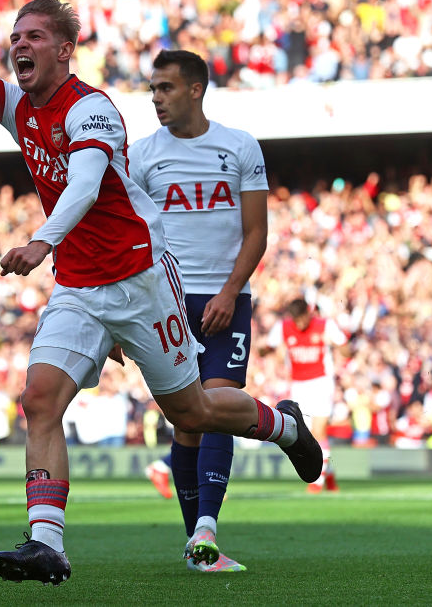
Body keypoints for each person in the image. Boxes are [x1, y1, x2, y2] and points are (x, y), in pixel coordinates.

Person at [0, 0, 322, 586]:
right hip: (78, 285)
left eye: (35, 36)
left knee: (194, 414)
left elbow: (88, 180)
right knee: (40, 398)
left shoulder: (90, 106)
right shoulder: (20, 107)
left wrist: (42, 241)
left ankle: (285, 427)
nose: (21, 45)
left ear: (65, 49)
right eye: (15, 36)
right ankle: (47, 544)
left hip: (138, 279)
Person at [129, 50, 267, 573]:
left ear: (195, 89)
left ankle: (207, 527)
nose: (156, 98)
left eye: (165, 88)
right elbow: (131, 237)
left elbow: (256, 231)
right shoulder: (140, 155)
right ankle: (198, 545)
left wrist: (230, 292)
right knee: (186, 422)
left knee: (219, 401)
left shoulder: (239, 147)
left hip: (226, 298)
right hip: (164, 301)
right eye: (153, 89)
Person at [267, 297, 348, 493]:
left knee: (320, 431)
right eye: (295, 320)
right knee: (309, 435)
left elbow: (346, 349)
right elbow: (268, 347)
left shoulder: (324, 326)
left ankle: (317, 482)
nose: (299, 324)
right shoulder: (283, 328)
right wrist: (276, 353)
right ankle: (329, 474)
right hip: (298, 385)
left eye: (301, 319)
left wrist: (334, 344)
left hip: (321, 381)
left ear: (308, 313)